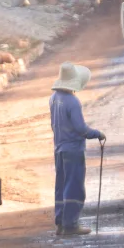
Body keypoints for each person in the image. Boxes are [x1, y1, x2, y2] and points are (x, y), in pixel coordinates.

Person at [49, 62, 105, 236]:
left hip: (59, 148)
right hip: (73, 150)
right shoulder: (72, 101)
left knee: (61, 186)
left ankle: (60, 223)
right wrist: (97, 133)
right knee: (74, 187)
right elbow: (81, 129)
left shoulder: (54, 98)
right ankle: (71, 224)